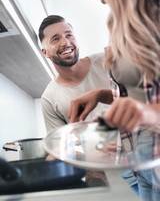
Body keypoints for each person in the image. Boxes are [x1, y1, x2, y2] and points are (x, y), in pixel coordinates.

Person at [68, 0, 160, 200]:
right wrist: (103, 95)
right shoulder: (119, 20)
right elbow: (143, 91)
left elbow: (147, 109)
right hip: (147, 166)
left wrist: (149, 114)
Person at [38, 14, 138, 193]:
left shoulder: (107, 62)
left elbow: (141, 101)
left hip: (142, 169)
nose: (65, 42)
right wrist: (88, 158)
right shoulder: (49, 98)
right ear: (44, 51)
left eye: (69, 35)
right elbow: (57, 154)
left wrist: (102, 94)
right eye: (55, 38)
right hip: (104, 186)